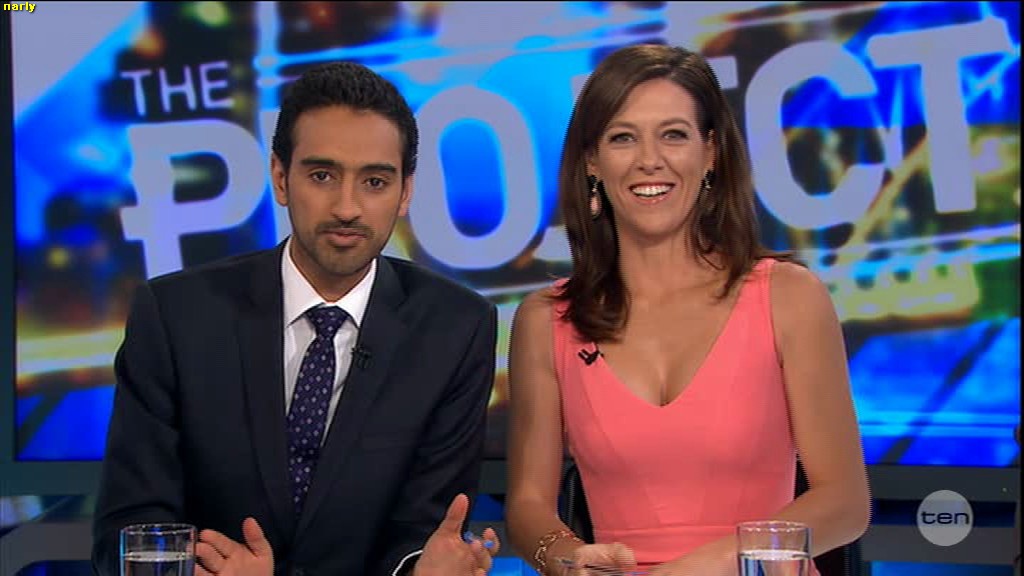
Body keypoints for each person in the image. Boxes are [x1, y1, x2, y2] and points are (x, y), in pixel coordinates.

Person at [92, 61, 500, 576]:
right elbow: (129, 526)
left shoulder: (456, 328)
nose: (347, 207)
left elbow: (421, 532)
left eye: (375, 181)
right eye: (322, 176)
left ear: (406, 193)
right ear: (281, 178)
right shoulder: (176, 316)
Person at [505, 44, 871, 575]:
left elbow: (844, 503)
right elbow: (527, 507)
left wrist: (703, 566)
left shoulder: (789, 296)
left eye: (673, 135)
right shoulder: (547, 320)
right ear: (592, 161)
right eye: (623, 137)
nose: (649, 159)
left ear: (711, 152)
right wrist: (569, 558)